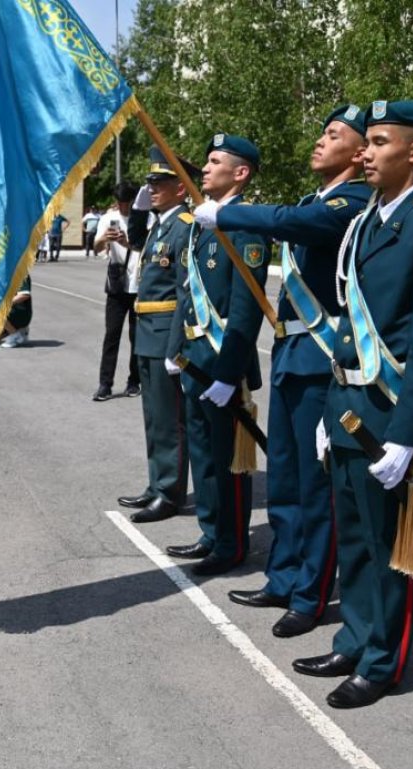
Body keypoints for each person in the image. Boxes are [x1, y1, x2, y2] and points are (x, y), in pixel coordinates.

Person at [295, 100, 413, 709]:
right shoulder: (367, 219)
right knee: (354, 540)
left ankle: (382, 662)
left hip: (388, 415)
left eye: (379, 142)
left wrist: (409, 432)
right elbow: (349, 326)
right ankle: (355, 639)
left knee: (389, 546)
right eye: (364, 142)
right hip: (347, 406)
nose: (365, 153)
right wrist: (328, 411)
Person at [195, 104, 371, 637]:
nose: (320, 141)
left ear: (359, 152)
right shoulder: (312, 201)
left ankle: (310, 594)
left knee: (317, 489)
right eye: (322, 132)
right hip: (293, 356)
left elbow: (296, 225)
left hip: (322, 359)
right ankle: (284, 575)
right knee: (288, 482)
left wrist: (228, 215)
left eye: (334, 135)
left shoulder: (352, 202)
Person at [165, 134, 271, 576]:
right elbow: (186, 294)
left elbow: (246, 306)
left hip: (223, 362)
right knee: (203, 454)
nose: (205, 169)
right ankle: (211, 532)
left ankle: (231, 543)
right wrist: (176, 349)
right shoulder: (201, 222)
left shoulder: (245, 225)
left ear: (240, 173)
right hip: (195, 357)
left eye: (214, 162)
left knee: (229, 460)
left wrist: (229, 373)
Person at [118, 150, 199, 524]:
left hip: (166, 333)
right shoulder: (160, 225)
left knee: (169, 419)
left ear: (180, 188)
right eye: (149, 183)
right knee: (153, 417)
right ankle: (157, 483)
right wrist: (138, 210)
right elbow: (135, 239)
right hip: (147, 331)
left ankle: (170, 492)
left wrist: (176, 346)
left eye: (159, 183)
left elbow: (184, 291)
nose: (151, 189)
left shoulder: (184, 226)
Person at [92, 184, 142, 401]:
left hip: (139, 285)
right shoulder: (108, 218)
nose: (123, 207)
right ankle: (105, 384)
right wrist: (104, 239)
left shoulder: (145, 218)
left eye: (126, 203)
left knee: (136, 337)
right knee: (111, 335)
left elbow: (148, 249)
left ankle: (134, 381)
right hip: (117, 284)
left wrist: (126, 243)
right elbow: (96, 248)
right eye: (120, 203)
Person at [0, 275, 33, 348]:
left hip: (20, 312)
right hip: (10, 312)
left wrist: (5, 303)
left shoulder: (20, 274)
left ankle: (14, 335)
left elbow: (24, 295)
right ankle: (22, 331)